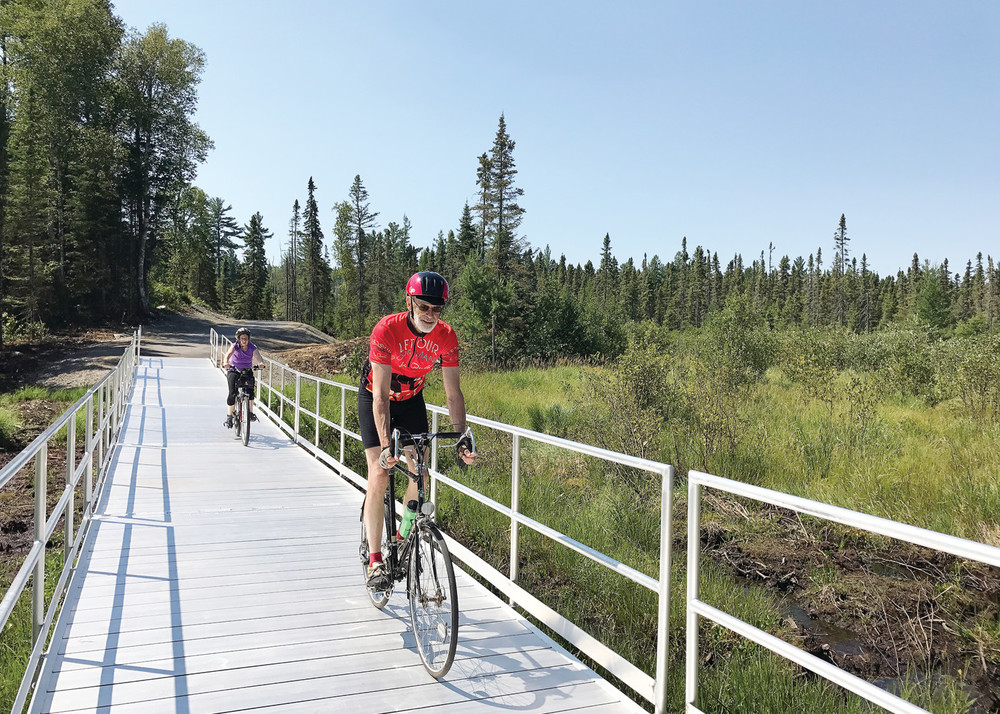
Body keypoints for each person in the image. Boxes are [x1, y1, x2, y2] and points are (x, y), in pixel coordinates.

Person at [360, 271, 477, 590]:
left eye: (437, 310)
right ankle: (374, 560)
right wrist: (386, 447)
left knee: (421, 474)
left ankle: (400, 537)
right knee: (380, 474)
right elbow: (381, 397)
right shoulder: (387, 330)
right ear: (409, 302)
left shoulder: (446, 336)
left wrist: (461, 436)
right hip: (377, 398)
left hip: (411, 401)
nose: (430, 315)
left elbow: (453, 393)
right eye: (424, 307)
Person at [224, 327, 264, 428]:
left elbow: (258, 356)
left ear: (248, 339)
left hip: (247, 370)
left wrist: (260, 363)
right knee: (232, 393)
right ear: (238, 339)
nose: (244, 340)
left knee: (250, 392)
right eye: (242, 338)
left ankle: (250, 413)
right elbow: (228, 355)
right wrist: (226, 363)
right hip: (234, 370)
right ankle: (229, 416)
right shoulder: (235, 346)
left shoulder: (252, 347)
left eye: (246, 338)